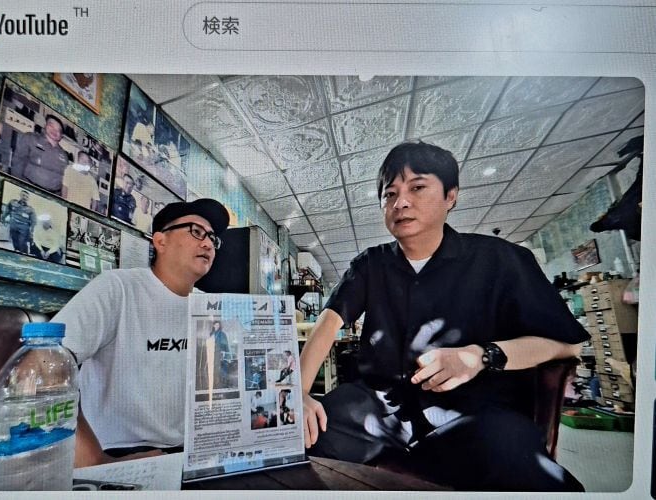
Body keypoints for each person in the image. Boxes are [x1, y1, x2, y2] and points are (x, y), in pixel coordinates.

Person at [300, 141, 589, 492]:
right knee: (299, 434)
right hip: (378, 406)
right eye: (390, 194)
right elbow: (329, 322)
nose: (400, 202)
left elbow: (566, 345)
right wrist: (299, 394)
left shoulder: (500, 260)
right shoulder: (370, 264)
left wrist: (482, 355)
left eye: (417, 187)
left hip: (476, 410)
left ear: (451, 196)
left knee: (528, 473)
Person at [52, 198, 229, 467]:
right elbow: (43, 362)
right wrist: (94, 459)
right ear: (160, 241)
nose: (207, 244)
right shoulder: (118, 288)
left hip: (194, 449)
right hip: (117, 449)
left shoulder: (211, 307)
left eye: (213, 239)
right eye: (196, 231)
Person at [11, 114, 70, 195]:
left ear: (60, 136)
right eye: (51, 125)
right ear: (45, 126)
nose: (54, 130)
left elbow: (65, 181)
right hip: (29, 190)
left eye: (58, 130)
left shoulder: (64, 156)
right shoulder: (31, 138)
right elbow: (18, 162)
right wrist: (16, 186)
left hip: (52, 196)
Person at [198, 320, 231, 389]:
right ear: (213, 325)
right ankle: (214, 383)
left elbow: (226, 345)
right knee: (210, 368)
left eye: (218, 325)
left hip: (219, 353)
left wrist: (226, 355)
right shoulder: (211, 333)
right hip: (212, 352)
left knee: (218, 368)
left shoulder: (222, 334)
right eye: (216, 325)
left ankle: (219, 383)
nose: (217, 326)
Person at [1, 189, 36, 254]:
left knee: (22, 243)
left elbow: (34, 221)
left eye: (27, 197)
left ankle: (24, 254)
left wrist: (31, 232)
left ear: (28, 199)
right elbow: (6, 211)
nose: (25, 197)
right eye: (23, 195)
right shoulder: (13, 202)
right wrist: (3, 219)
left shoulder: (30, 209)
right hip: (13, 225)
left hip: (24, 228)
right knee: (15, 241)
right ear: (20, 195)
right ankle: (16, 252)